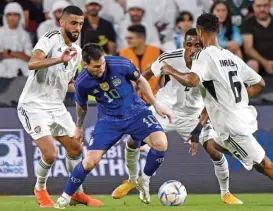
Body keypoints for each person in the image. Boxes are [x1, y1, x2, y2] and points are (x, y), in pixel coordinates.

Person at [112, 28, 242, 205]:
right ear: (184, 44)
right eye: (189, 44)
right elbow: (145, 76)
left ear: (204, 47)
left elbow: (212, 104)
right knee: (133, 141)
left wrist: (197, 132)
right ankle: (132, 180)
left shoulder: (213, 67)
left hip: (193, 116)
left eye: (198, 45)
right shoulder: (170, 58)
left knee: (215, 150)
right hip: (163, 109)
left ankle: (226, 193)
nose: (193, 49)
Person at [54, 43, 170, 208]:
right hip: (108, 120)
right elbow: (81, 106)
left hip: (136, 112)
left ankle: (144, 180)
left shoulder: (120, 64)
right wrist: (79, 127)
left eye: (102, 64)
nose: (101, 68)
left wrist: (156, 104)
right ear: (85, 64)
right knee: (89, 162)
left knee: (161, 143)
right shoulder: (82, 82)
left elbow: (141, 80)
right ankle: (65, 197)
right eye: (96, 66)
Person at [161, 13, 273, 185]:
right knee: (212, 145)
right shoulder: (230, 56)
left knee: (266, 166)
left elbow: (192, 81)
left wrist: (170, 70)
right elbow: (260, 83)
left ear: (198, 31)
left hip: (231, 128)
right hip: (238, 119)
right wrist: (239, 98)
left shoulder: (203, 56)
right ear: (218, 31)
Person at [17, 6, 102, 208]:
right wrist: (58, 59)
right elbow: (32, 63)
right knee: (51, 153)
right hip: (33, 105)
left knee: (75, 149)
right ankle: (40, 189)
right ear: (62, 22)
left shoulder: (78, 52)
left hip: (56, 106)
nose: (77, 27)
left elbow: (68, 84)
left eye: (81, 24)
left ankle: (76, 194)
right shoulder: (51, 38)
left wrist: (94, 89)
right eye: (74, 23)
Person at [118, 24, 163, 104]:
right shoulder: (121, 54)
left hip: (154, 100)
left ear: (142, 38)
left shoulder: (158, 53)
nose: (127, 41)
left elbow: (165, 77)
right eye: (127, 38)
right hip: (130, 102)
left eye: (130, 38)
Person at [0, 2, 32, 78]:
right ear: (6, 17)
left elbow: (28, 58)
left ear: (20, 17)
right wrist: (19, 54)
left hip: (23, 66)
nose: (12, 18)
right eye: (9, 15)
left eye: (15, 15)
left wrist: (9, 52)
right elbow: (1, 56)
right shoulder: (0, 32)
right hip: (3, 66)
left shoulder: (25, 35)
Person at [241, 0, 273, 75]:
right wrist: (266, 63)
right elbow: (248, 49)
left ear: (270, 6)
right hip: (257, 60)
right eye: (258, 6)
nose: (262, 9)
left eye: (265, 5)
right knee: (252, 64)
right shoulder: (247, 23)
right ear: (253, 7)